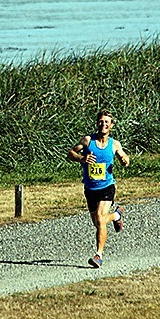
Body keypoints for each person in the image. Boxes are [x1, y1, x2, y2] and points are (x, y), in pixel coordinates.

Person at [67, 109, 130, 268]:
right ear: (97, 123)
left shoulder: (114, 144)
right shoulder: (88, 140)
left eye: (107, 122)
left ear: (111, 126)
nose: (103, 125)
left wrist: (124, 160)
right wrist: (82, 158)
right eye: (101, 121)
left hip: (107, 187)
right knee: (97, 223)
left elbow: (126, 159)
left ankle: (98, 255)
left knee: (101, 219)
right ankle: (117, 215)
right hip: (90, 188)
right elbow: (70, 153)